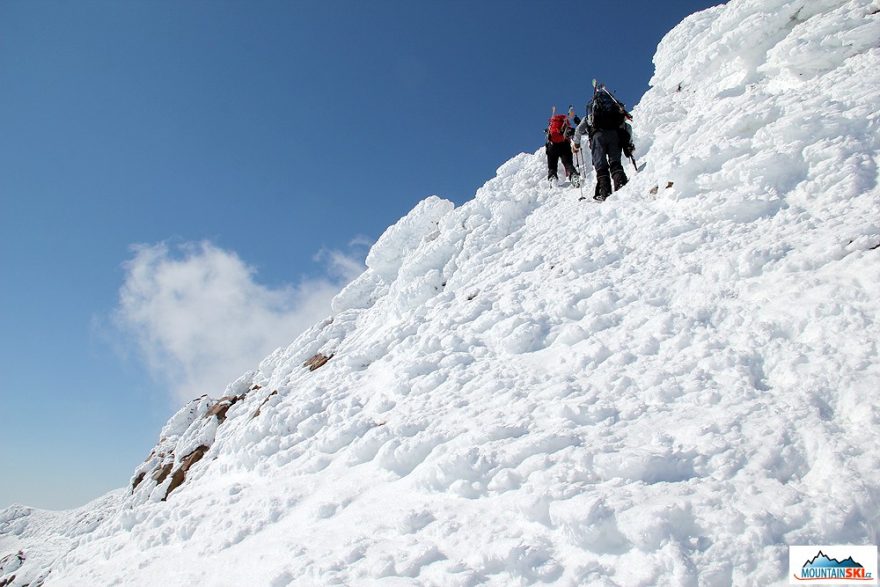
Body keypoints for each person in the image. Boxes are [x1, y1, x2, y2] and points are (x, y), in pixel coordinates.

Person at [573, 84, 635, 201]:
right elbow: (627, 127)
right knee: (615, 162)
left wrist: (576, 144)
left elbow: (579, 129)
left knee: (601, 166)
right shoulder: (614, 111)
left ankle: (604, 191)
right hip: (614, 136)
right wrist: (629, 143)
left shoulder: (592, 113)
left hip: (597, 137)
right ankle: (620, 184)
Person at [545, 108, 581, 188]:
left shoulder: (552, 124)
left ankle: (552, 178)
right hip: (564, 145)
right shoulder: (565, 123)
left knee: (552, 166)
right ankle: (573, 176)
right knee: (568, 163)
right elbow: (572, 132)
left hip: (552, 146)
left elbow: (548, 134)